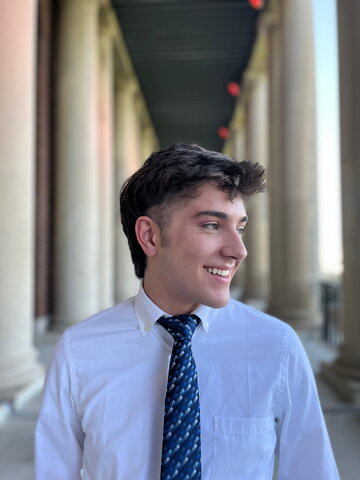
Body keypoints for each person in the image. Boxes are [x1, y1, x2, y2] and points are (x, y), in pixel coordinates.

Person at [35, 143, 339, 479]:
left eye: (240, 228)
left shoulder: (276, 346)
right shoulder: (80, 351)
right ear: (149, 236)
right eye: (211, 225)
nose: (239, 250)